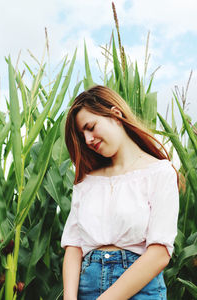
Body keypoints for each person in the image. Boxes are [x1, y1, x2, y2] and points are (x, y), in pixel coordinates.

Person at [61, 85, 179, 300]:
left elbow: (160, 253)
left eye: (91, 127)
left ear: (116, 115)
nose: (87, 140)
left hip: (140, 291)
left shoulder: (160, 173)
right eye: (82, 134)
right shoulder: (86, 182)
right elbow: (73, 246)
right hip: (85, 288)